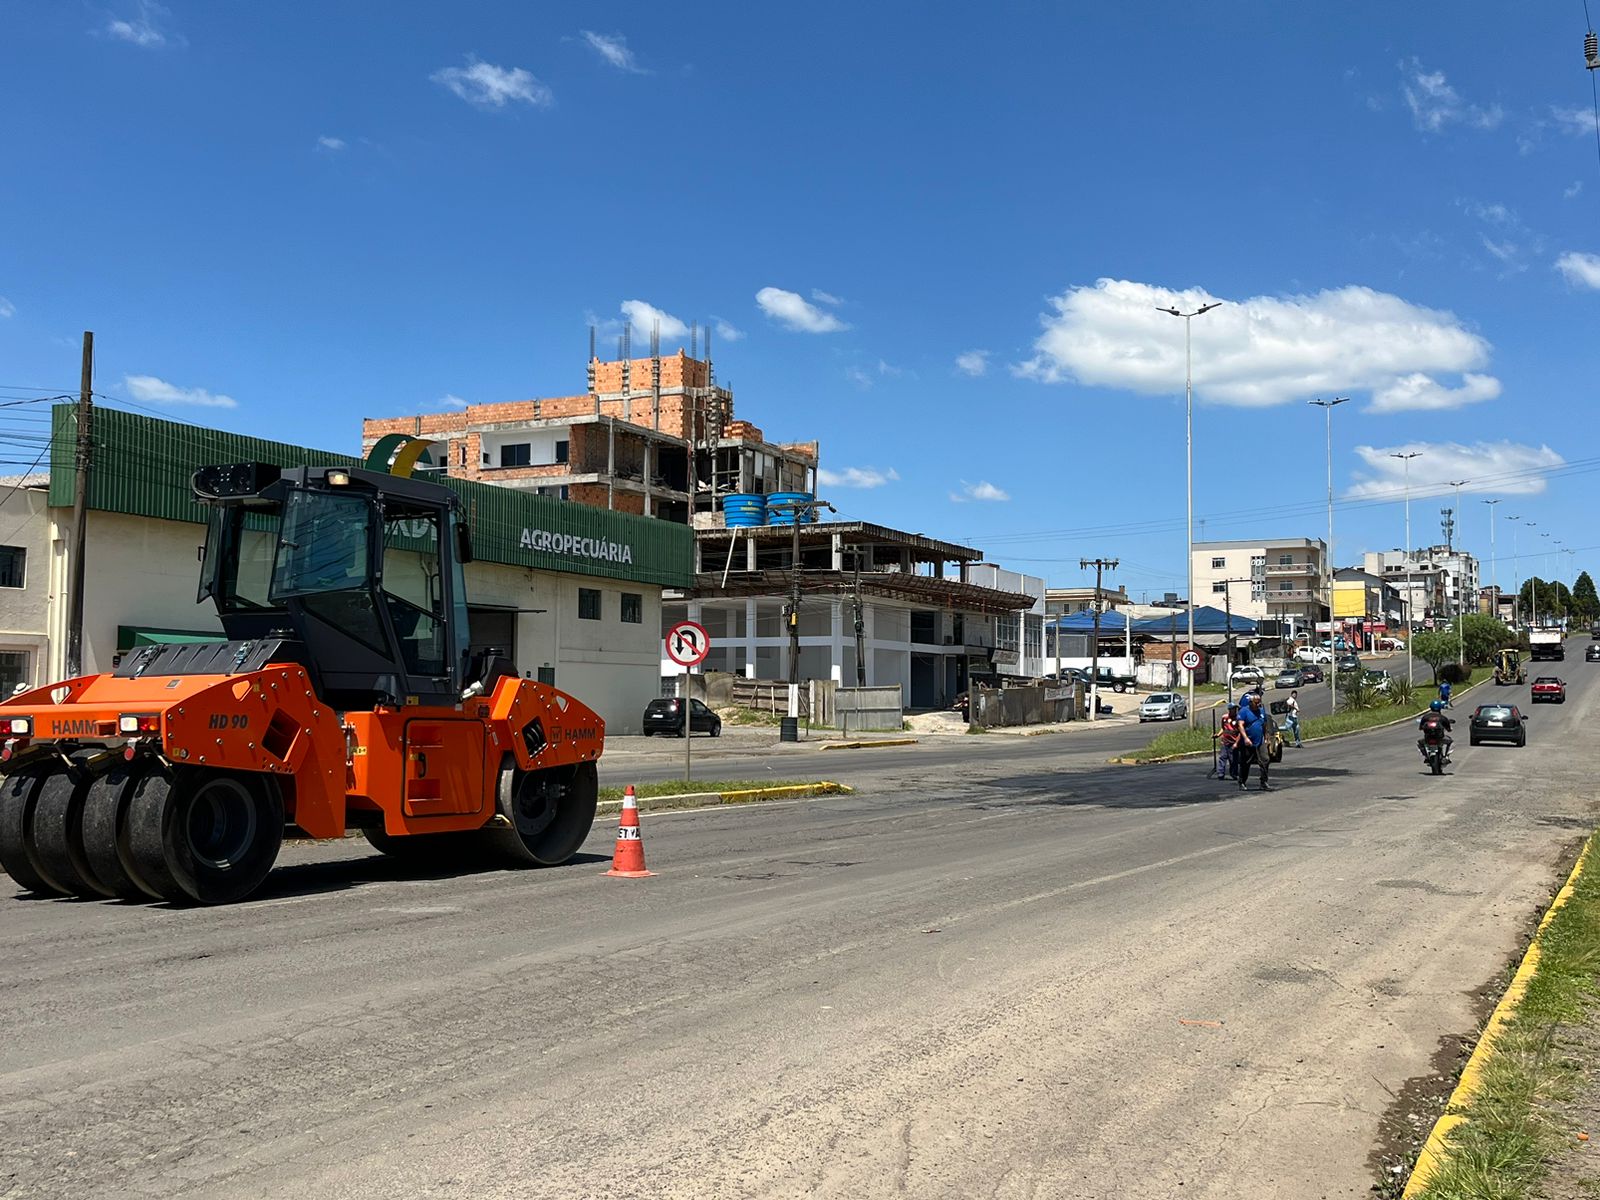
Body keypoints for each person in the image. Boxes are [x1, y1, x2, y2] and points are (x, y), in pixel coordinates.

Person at [1237, 692, 1273, 791]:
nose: (1258, 705)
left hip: (1260, 740)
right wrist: (1245, 738)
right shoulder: (1244, 711)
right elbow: (1240, 726)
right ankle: (1242, 781)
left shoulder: (1261, 711)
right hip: (1248, 741)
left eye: (1259, 702)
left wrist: (1266, 737)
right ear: (1250, 703)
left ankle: (1263, 782)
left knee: (1265, 759)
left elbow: (1264, 724)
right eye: (1256, 703)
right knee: (1246, 763)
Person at [1215, 704, 1242, 780]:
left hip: (1233, 741)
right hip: (1225, 741)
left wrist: (1237, 743)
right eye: (1233, 709)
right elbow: (1223, 728)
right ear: (1229, 710)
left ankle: (1234, 773)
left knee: (1233, 759)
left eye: (1235, 709)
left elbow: (1240, 731)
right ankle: (1221, 773)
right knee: (1222, 757)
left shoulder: (1238, 718)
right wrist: (1218, 734)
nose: (1234, 710)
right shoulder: (1224, 717)